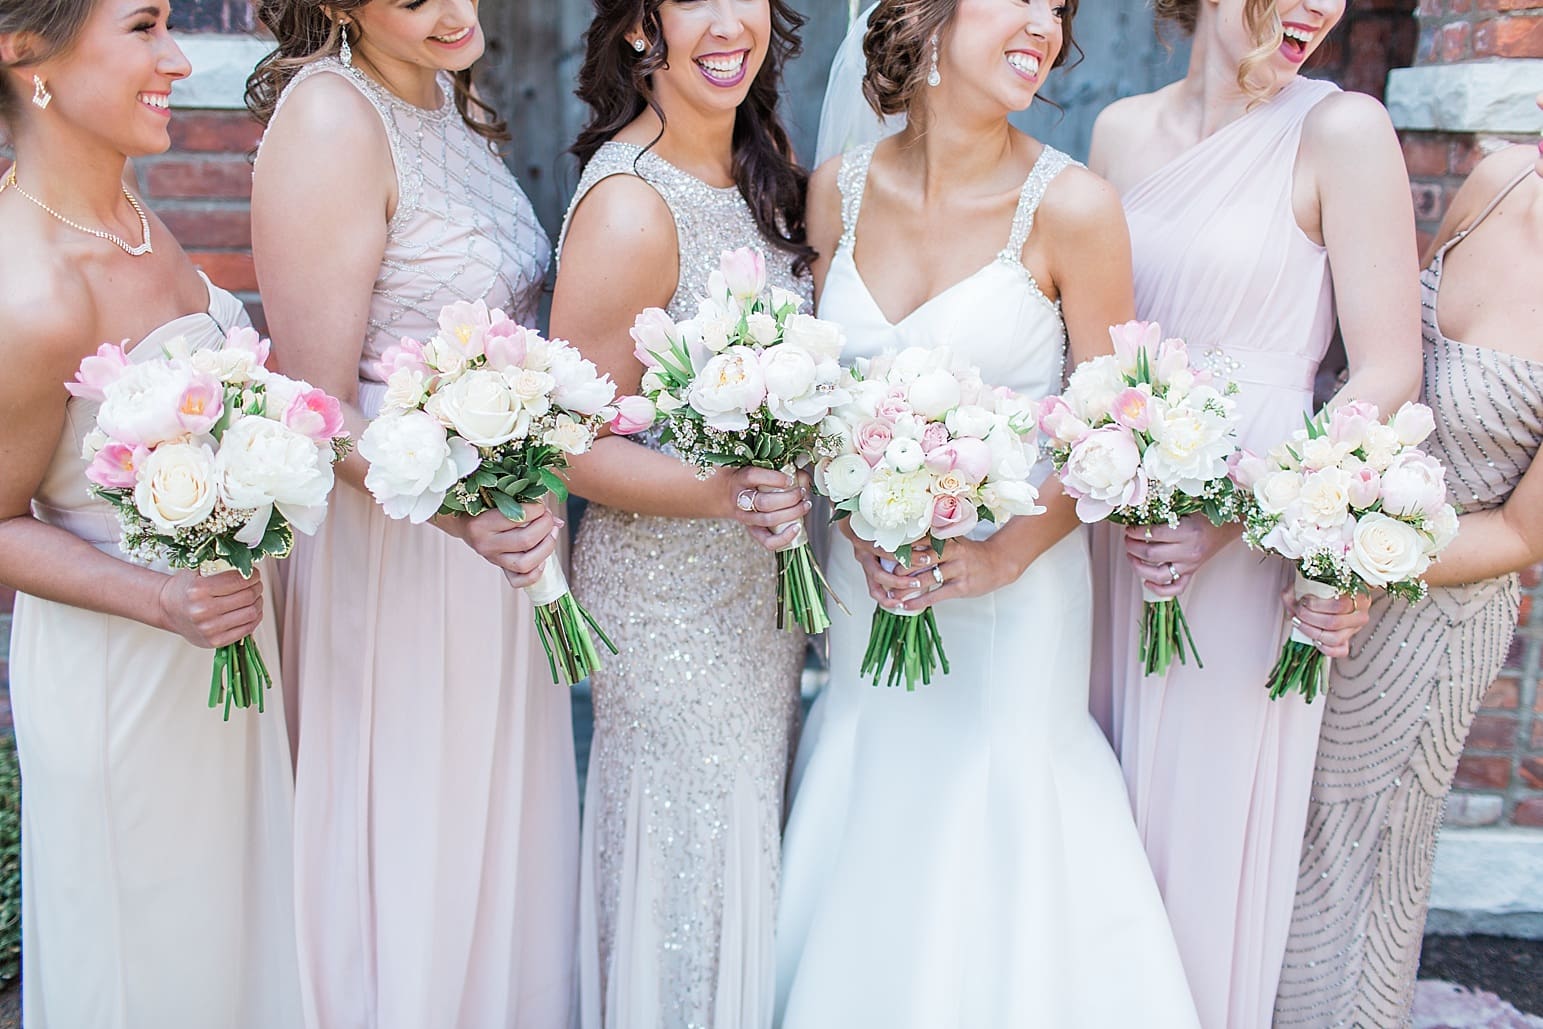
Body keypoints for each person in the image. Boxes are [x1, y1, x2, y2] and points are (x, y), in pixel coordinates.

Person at [773, 2, 1201, 1026]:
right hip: (871, 585)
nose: (1043, 26)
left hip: (1014, 604)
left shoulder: (1075, 208)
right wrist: (859, 518)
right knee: (875, 793)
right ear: (923, 17)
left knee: (990, 807)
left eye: (1057, 11)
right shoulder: (833, 192)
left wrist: (1005, 554)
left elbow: (1112, 433)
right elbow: (812, 399)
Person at [1086, 0, 1423, 1021]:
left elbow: (1386, 369)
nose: (1319, 7)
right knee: (1096, 828)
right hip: (1119, 529)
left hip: (1251, 549)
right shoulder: (1117, 132)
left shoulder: (1342, 131)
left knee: (1201, 838)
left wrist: (1239, 510)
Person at [246, 1, 577, 1025]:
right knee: (417, 841)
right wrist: (457, 516)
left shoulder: (447, 93)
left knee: (489, 846)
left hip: (492, 552)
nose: (450, 9)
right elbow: (312, 407)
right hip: (402, 557)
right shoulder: (331, 120)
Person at [0, 2, 301, 1025]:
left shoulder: (129, 214)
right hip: (120, 679)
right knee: (144, 969)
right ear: (24, 51)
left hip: (215, 665)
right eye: (141, 27)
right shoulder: (30, 288)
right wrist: (162, 598)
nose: (176, 58)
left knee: (228, 957)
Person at [550, 0, 814, 1024]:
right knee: (687, 865)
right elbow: (568, 444)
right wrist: (723, 490)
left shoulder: (762, 161)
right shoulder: (630, 203)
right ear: (635, 28)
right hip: (665, 608)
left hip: (755, 592)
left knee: (739, 852)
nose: (725, 22)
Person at [1276, 102, 1543, 1028]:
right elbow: (1392, 355)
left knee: (1353, 860)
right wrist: (1319, 522)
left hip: (1430, 617)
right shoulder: (1502, 175)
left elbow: (1519, 533)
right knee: (1274, 831)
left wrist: (1358, 557)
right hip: (1317, 563)